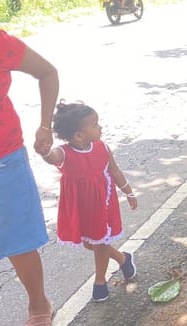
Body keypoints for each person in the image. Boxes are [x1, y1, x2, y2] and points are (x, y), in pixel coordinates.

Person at [0, 26, 58, 326]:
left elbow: (47, 72)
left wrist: (44, 126)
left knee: (17, 238)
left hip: (1, 158)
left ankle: (39, 302)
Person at [40, 101, 138, 302]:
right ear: (78, 136)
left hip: (101, 204)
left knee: (100, 241)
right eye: (95, 125)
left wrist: (128, 191)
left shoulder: (102, 147)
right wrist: (44, 150)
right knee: (88, 243)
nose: (100, 127)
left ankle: (100, 281)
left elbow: (115, 171)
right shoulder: (65, 153)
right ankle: (123, 259)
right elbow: (52, 157)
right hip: (80, 207)